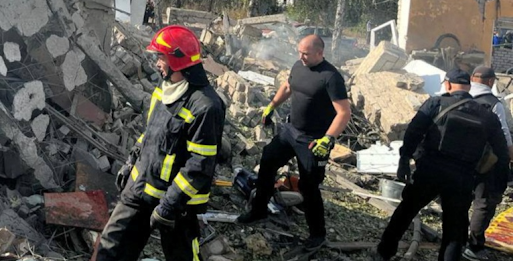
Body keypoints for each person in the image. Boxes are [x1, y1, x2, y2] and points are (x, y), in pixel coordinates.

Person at [94, 25, 226, 261]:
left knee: (182, 257)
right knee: (110, 249)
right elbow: (151, 133)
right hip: (139, 189)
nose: (157, 63)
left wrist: (169, 205)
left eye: (161, 57)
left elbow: (200, 165)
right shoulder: (164, 90)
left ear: (178, 59)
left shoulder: (205, 106)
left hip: (177, 205)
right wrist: (131, 161)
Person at [374, 69, 509, 261]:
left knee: (405, 212)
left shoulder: (436, 103)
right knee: (454, 229)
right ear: (469, 87)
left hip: (430, 170)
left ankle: (384, 252)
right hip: (463, 177)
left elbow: (414, 132)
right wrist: (497, 181)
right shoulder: (487, 115)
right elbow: (501, 152)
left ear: (447, 84)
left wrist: (404, 160)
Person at [237, 35, 351, 255]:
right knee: (268, 161)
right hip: (290, 131)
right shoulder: (299, 66)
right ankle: (259, 209)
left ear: (320, 53)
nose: (301, 57)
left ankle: (317, 235)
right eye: (299, 52)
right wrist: (271, 105)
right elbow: (288, 87)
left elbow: (344, 112)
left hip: (313, 141)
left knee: (309, 187)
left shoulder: (331, 77)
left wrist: (328, 138)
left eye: (306, 54)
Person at [464, 66, 513, 261]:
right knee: (483, 203)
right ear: (491, 82)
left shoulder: (456, 98)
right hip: (485, 162)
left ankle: (455, 241)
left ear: (472, 79)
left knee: (458, 201)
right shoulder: (494, 104)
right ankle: (474, 247)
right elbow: (503, 135)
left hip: (455, 159)